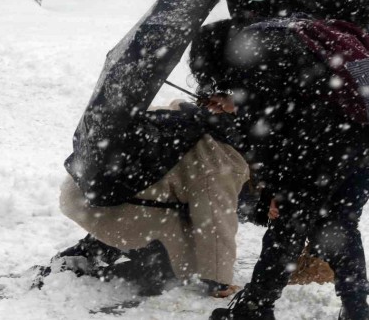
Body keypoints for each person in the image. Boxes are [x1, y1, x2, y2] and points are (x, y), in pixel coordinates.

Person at [202, 0, 369, 320]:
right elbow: (295, 100)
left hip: (325, 141)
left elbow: (268, 130)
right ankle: (356, 310)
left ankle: (254, 309)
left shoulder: (256, 42)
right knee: (337, 218)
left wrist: (276, 187)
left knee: (290, 219)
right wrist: (240, 102)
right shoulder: (314, 24)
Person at [51, 99, 249, 298]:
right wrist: (219, 280)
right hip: (117, 211)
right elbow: (215, 223)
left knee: (149, 196)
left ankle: (93, 248)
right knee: (182, 265)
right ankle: (111, 273)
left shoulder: (181, 113)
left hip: (83, 192)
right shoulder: (222, 159)